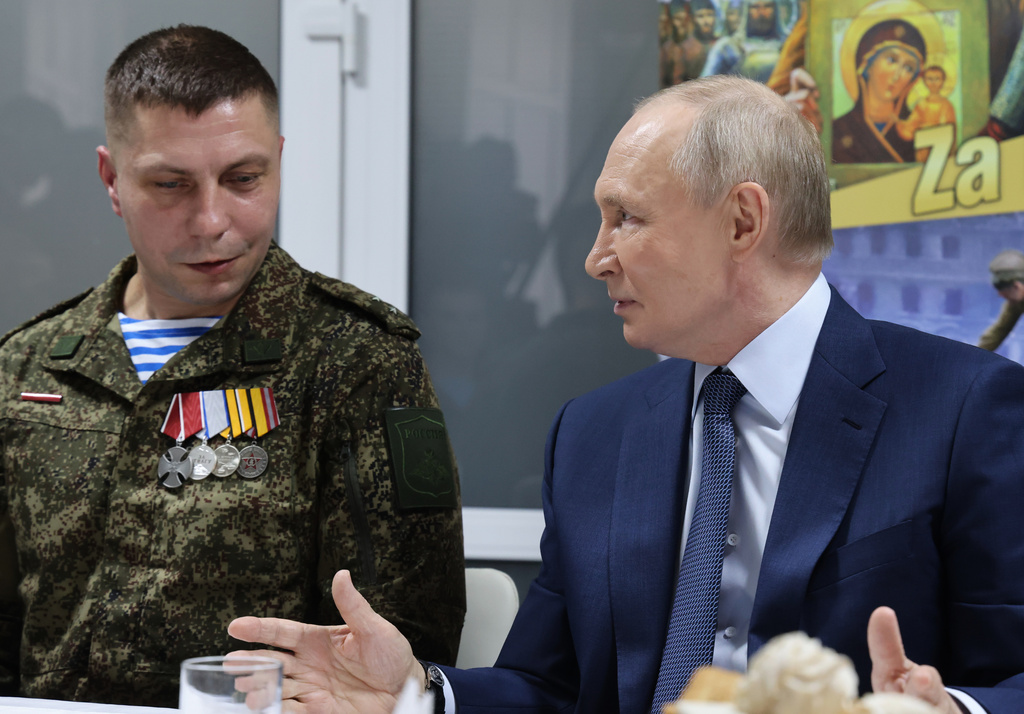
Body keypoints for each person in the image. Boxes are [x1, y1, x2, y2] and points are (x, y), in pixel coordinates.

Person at [229, 76, 1024, 714]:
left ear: (744, 221)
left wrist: (946, 709)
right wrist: (418, 696)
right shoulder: (592, 435)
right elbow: (552, 688)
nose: (596, 258)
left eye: (626, 218)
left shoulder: (966, 412)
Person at [0, 25, 465, 707]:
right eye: (171, 184)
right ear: (111, 180)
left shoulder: (357, 358)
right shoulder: (27, 366)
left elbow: (402, 648)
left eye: (244, 178)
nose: (212, 219)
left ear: (277, 161)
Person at [832, 19, 925, 164]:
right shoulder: (839, 129)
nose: (897, 75)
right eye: (891, 60)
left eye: (908, 68)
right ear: (866, 64)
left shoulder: (917, 128)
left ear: (912, 81)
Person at [701, 0, 787, 83]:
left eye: (767, 6)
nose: (762, 13)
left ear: (775, 9)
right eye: (755, 7)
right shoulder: (728, 47)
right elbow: (703, 89)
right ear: (746, 11)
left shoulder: (787, 45)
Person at [896, 65, 957, 162]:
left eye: (937, 79)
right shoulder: (921, 104)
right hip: (923, 148)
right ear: (924, 81)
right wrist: (899, 123)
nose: (933, 83)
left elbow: (949, 130)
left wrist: (925, 129)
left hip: (940, 147)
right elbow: (911, 127)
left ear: (943, 81)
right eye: (930, 79)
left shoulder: (947, 105)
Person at [978, 249, 1024, 352]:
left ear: (1017, 287)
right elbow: (998, 332)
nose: (1000, 295)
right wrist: (974, 357)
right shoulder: (1016, 303)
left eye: (1004, 291)